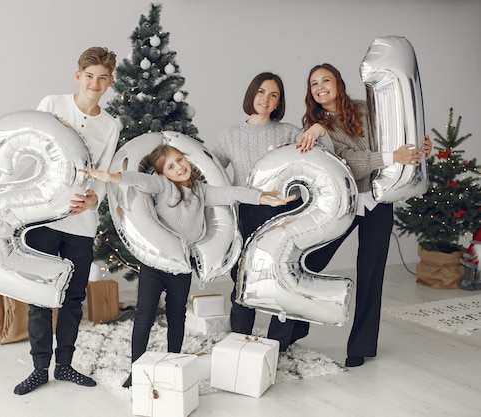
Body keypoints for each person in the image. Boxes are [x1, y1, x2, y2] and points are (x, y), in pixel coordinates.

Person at [83, 144, 296, 388]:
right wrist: (112, 177)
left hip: (181, 268)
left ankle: (174, 360)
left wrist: (263, 197)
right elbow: (142, 181)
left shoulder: (200, 191)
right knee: (145, 317)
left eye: (180, 160)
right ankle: (136, 369)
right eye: (171, 166)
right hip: (155, 265)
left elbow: (231, 193)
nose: (179, 167)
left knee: (177, 316)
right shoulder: (162, 186)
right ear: (164, 174)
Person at [302, 63, 432, 367]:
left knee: (371, 274)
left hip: (379, 202)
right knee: (310, 260)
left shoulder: (366, 109)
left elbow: (395, 141)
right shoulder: (314, 126)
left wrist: (419, 149)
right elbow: (347, 163)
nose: (320, 87)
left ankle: (360, 347)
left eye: (326, 80)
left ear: (339, 83)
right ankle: (293, 327)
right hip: (343, 203)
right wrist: (390, 157)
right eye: (314, 84)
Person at [12, 46, 120, 395]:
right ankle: (39, 369)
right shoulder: (52, 105)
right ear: (79, 76)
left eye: (103, 78)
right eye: (90, 76)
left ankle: (65, 365)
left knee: (73, 298)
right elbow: (33, 149)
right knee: (41, 296)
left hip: (81, 225)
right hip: (43, 217)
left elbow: (104, 174)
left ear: (110, 81)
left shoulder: (111, 124)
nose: (95, 83)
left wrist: (94, 201)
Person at [212, 72, 332, 352]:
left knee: (283, 277)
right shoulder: (231, 135)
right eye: (261, 92)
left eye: (274, 95)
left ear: (279, 102)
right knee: (243, 278)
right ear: (252, 95)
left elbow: (326, 155)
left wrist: (318, 130)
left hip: (286, 215)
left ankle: (279, 344)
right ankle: (239, 341)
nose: (266, 99)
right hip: (248, 213)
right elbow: (211, 170)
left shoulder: (289, 132)